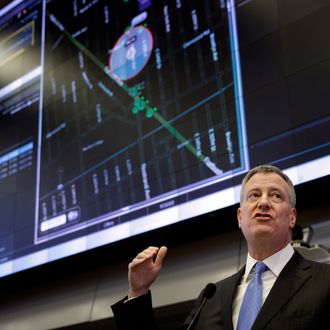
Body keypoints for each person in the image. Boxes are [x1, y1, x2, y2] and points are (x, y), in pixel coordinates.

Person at [111, 165, 330, 329]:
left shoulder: (325, 281)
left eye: (275, 196)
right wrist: (138, 292)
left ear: (292, 217)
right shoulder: (211, 297)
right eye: (254, 195)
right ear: (239, 216)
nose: (263, 203)